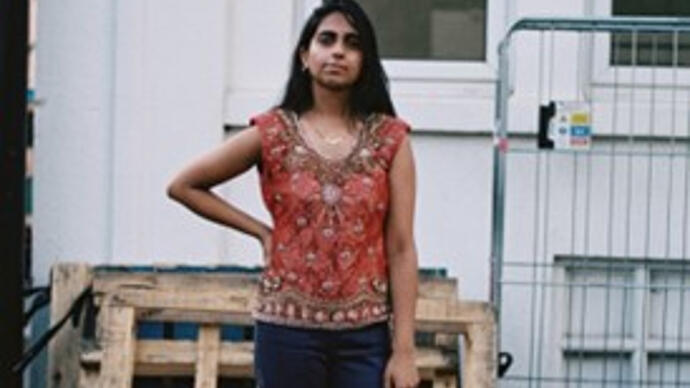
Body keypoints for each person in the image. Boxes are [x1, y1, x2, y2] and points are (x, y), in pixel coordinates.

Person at [167, 1, 419, 387]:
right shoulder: (273, 132)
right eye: (326, 40)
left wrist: (404, 351)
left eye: (352, 44)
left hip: (364, 338)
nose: (338, 51)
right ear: (305, 55)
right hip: (287, 334)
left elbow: (401, 247)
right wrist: (261, 232)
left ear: (365, 60)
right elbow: (184, 186)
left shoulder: (390, 139)